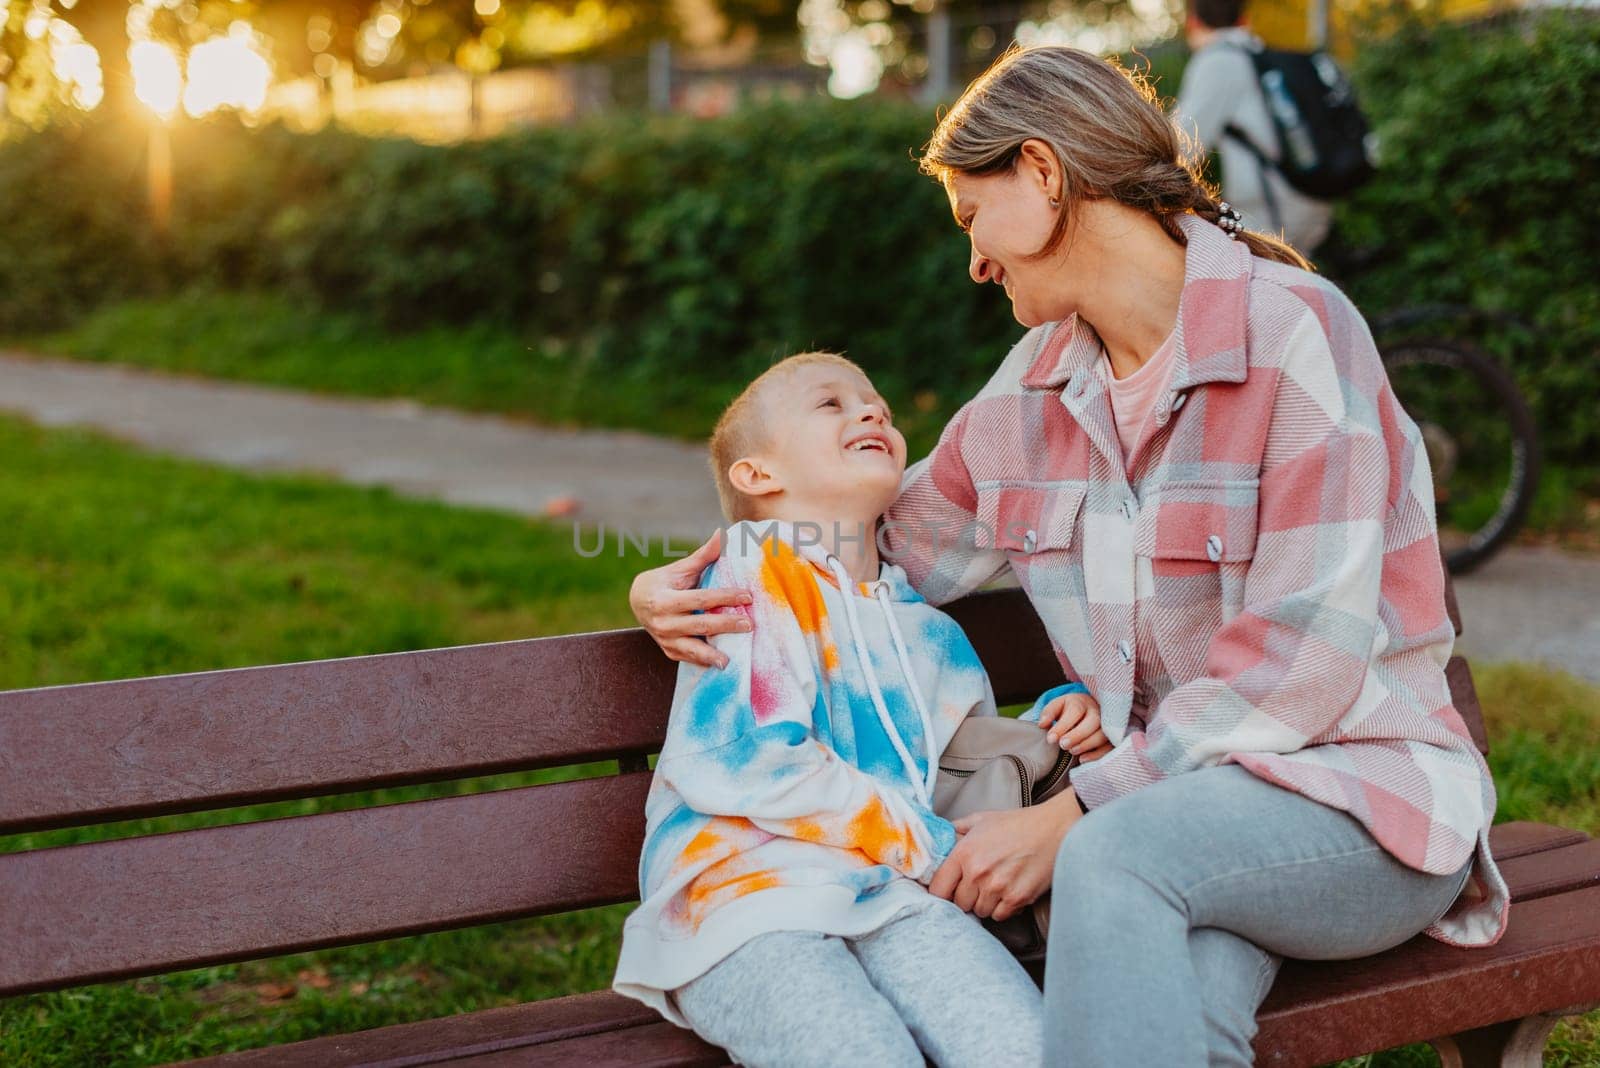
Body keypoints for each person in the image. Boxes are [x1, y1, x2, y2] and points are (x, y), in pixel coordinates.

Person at [627, 45, 1510, 1065]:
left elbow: (1300, 665)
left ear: (1041, 175)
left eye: (971, 218)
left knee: (1112, 861)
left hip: (1359, 805)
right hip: (1175, 825)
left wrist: (1077, 814)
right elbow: (865, 546)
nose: (973, 263)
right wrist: (694, 576)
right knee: (1176, 1026)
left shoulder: (1296, 335)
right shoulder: (1032, 393)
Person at [612, 351, 1106, 1067]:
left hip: (894, 897)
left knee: (1022, 1050)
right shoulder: (756, 567)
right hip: (746, 901)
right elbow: (750, 760)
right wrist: (934, 850)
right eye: (831, 405)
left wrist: (1060, 723)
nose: (871, 411)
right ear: (758, 475)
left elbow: (956, 768)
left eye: (878, 405)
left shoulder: (930, 630)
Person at [1176, 0, 1335, 253]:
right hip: (1306, 194)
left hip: (1269, 213)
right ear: (1243, 19)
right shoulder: (1257, 52)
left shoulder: (1217, 61)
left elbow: (1179, 149)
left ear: (1193, 21)